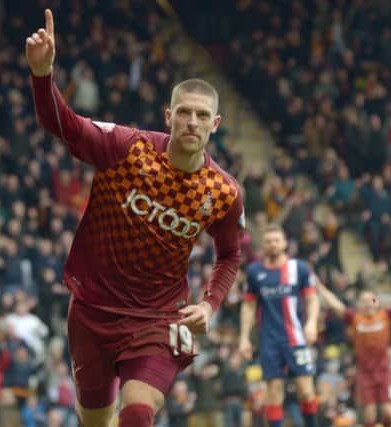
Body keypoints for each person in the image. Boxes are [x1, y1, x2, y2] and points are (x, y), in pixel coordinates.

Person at [25, 9, 244, 427]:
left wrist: (210, 305)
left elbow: (229, 255)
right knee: (95, 420)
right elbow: (63, 125)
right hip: (91, 310)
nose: (192, 122)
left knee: (138, 412)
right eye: (184, 113)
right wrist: (42, 74)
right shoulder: (128, 148)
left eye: (201, 116)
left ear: (215, 124)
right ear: (169, 115)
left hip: (157, 319)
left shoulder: (223, 192)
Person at [239, 225, 320, 427]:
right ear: (263, 245)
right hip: (269, 342)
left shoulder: (299, 268)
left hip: (296, 338)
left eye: (276, 240)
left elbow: (312, 300)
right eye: (268, 241)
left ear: (284, 243)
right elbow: (248, 306)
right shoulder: (255, 271)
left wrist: (311, 324)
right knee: (273, 394)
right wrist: (243, 338)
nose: (273, 244)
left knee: (306, 391)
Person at [315, 278, 391, 427]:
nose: (368, 303)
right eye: (364, 301)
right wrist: (320, 287)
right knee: (369, 415)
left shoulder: (386, 315)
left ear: (377, 302)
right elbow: (335, 304)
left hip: (384, 373)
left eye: (372, 300)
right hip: (365, 374)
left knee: (389, 413)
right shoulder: (354, 318)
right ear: (358, 304)